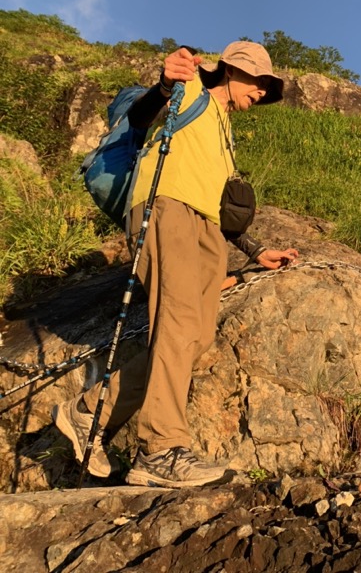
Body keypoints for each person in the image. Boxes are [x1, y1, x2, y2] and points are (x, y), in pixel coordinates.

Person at [51, 42, 299, 488]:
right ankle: (161, 449)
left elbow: (219, 203)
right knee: (179, 326)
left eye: (267, 87)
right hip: (167, 209)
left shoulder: (225, 129)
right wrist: (166, 83)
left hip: (206, 228)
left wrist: (256, 251)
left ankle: (90, 412)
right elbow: (141, 117)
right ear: (232, 70)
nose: (262, 92)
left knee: (193, 339)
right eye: (259, 82)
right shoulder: (191, 92)